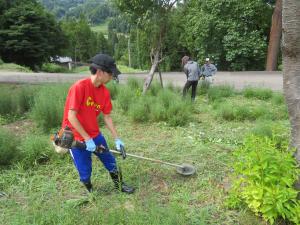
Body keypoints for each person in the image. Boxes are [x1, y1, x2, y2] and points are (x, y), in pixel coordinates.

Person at [61, 53, 134, 194]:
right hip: (75, 137)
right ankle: (90, 191)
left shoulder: (105, 92)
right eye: (111, 73)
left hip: (93, 133)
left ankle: (119, 185)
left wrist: (117, 139)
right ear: (100, 72)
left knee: (110, 160)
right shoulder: (79, 87)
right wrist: (87, 139)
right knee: (84, 168)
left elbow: (107, 117)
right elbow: (71, 116)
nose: (113, 77)